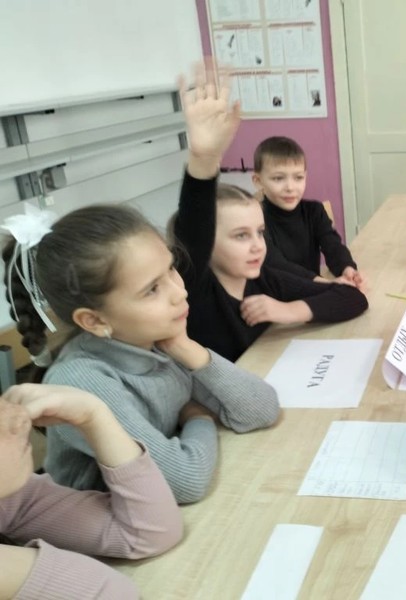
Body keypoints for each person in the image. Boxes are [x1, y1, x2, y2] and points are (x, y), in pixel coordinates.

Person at [1, 197, 280, 505]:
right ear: (94, 321)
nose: (180, 292)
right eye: (152, 289)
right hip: (111, 528)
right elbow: (186, 481)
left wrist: (189, 350)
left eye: (171, 269)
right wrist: (199, 418)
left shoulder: (155, 339)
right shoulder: (85, 380)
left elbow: (261, 411)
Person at [172, 63, 369, 363]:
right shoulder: (197, 288)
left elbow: (353, 298)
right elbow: (193, 227)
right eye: (241, 236)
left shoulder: (264, 279)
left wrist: (288, 310)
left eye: (260, 233)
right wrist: (205, 158)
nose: (258, 245)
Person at [0, 383, 182, 599]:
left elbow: (150, 533)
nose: (21, 421)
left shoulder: (10, 498)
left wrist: (94, 415)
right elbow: (186, 479)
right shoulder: (80, 374)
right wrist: (200, 417)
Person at [251, 135, 366, 290]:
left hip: (313, 290)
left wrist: (347, 269)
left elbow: (333, 246)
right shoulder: (254, 219)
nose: (290, 187)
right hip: (274, 296)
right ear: (258, 181)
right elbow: (275, 264)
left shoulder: (314, 211)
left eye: (298, 178)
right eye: (278, 178)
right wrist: (325, 283)